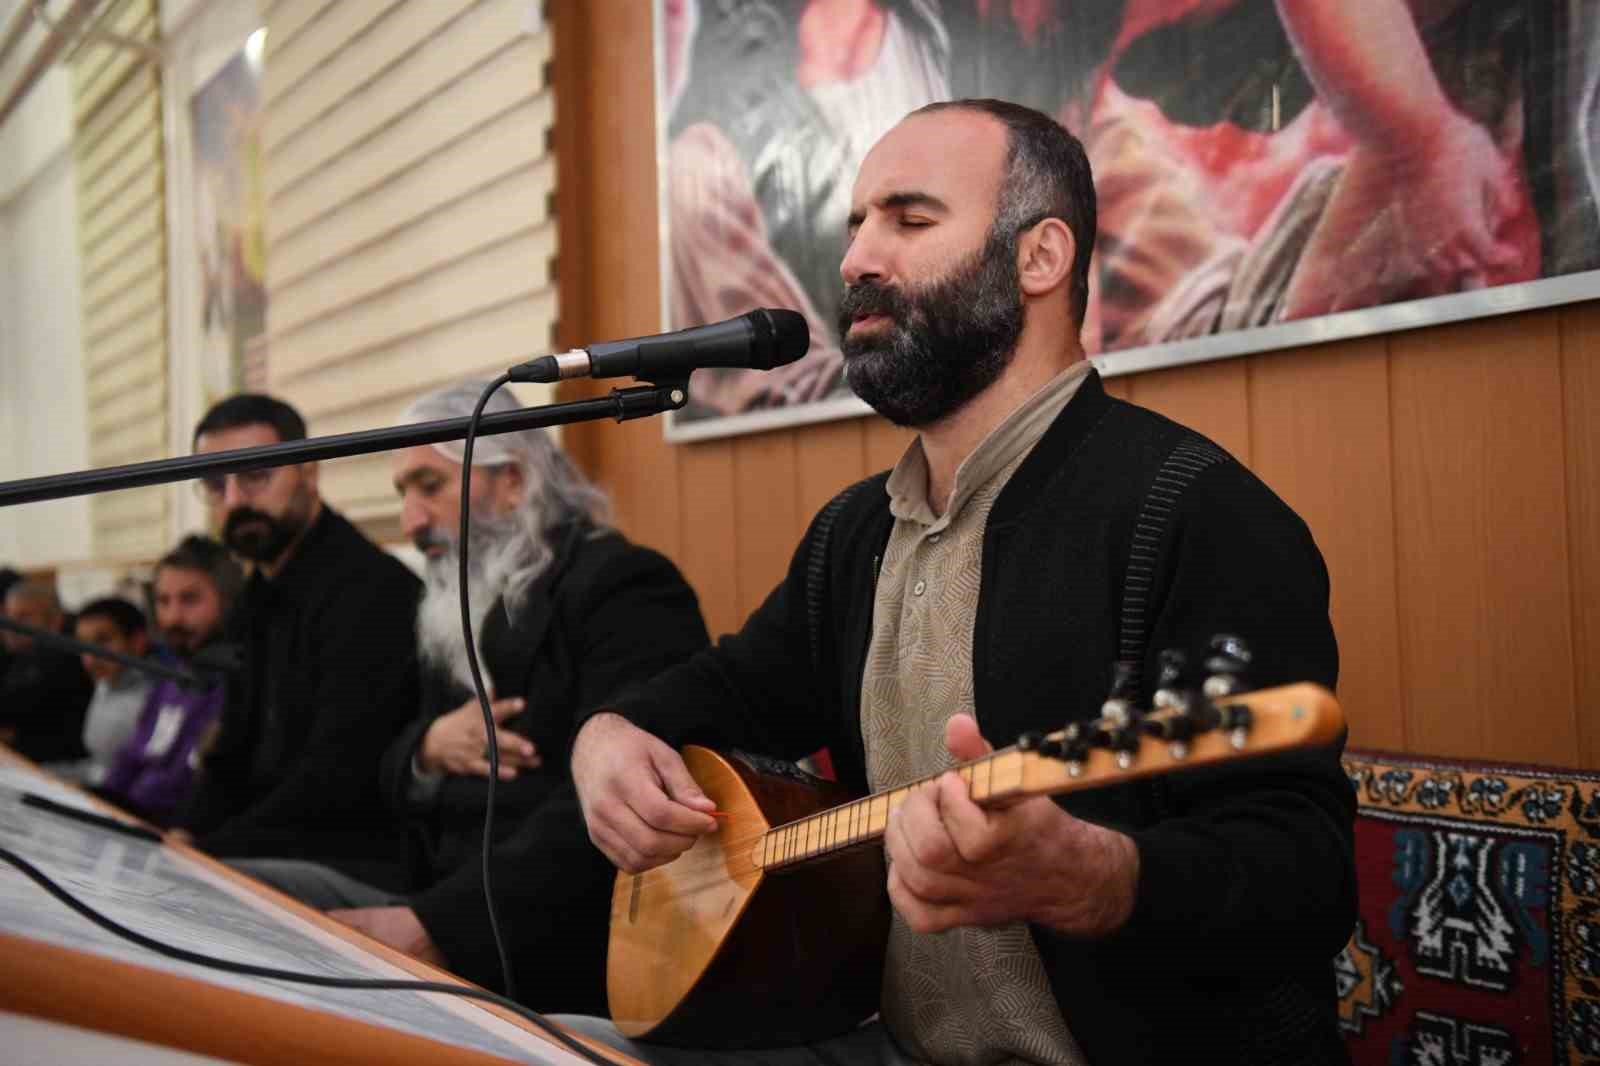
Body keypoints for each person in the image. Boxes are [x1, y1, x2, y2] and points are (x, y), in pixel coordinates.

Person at [559, 100, 1355, 1064]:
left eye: (910, 218)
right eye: (856, 224)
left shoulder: (1198, 515)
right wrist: (609, 736)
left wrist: (1094, 877)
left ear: (1040, 258)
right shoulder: (854, 533)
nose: (855, 258)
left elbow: (1305, 872)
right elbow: (725, 692)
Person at [251, 383, 710, 1011]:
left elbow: (608, 812)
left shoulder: (622, 588)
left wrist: (437, 927)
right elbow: (379, 765)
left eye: (429, 487)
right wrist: (426, 750)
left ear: (514, 481)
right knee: (243, 899)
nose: (410, 522)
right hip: (431, 890)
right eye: (402, 495)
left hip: (552, 935)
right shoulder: (452, 602)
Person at [178, 394, 422, 892]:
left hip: (354, 860)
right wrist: (187, 834)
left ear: (309, 472)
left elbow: (338, 776)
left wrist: (210, 854)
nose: (234, 501)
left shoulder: (371, 590)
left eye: (255, 476)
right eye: (215, 484)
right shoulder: (256, 594)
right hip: (271, 845)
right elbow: (233, 752)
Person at [99, 537, 242, 825]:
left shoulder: (241, 683)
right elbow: (132, 757)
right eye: (163, 601)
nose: (173, 617)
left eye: (190, 600)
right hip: (134, 820)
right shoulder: (171, 676)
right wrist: (98, 803)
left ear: (229, 602)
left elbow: (191, 787)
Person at [56, 597, 153, 786]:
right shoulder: (104, 684)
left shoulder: (154, 696)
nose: (90, 657)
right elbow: (97, 765)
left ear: (137, 642)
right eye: (82, 644)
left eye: (103, 640)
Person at [0, 580, 94, 764]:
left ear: (54, 620)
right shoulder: (19, 657)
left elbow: (19, 702)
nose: (11, 626)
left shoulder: (64, 655)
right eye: (9, 617)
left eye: (24, 617)